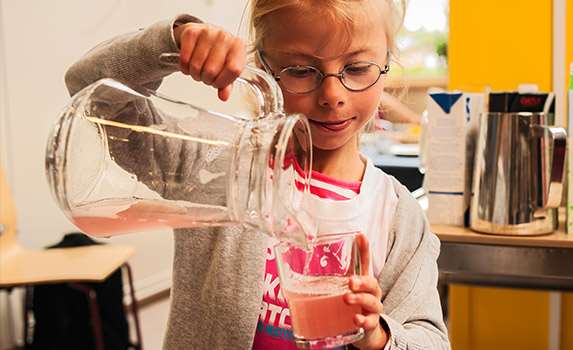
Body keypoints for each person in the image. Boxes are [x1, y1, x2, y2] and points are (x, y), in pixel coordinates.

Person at [64, 1, 449, 349]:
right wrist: (170, 45)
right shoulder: (220, 167)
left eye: (357, 67)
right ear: (264, 69)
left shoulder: (398, 216)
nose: (332, 94)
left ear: (385, 64)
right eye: (300, 70)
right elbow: (90, 93)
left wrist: (378, 335)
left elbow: (430, 339)